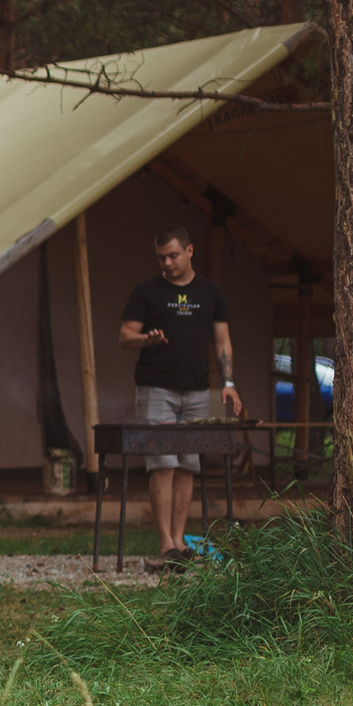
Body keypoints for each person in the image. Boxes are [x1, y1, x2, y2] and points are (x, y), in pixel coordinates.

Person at [118, 226, 241, 565]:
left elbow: (222, 340)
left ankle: (180, 542)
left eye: (173, 255)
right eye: (161, 258)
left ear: (189, 251)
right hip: (156, 388)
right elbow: (125, 336)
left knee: (187, 466)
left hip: (198, 390)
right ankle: (165, 545)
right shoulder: (146, 291)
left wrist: (228, 381)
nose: (167, 263)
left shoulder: (211, 292)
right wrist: (147, 339)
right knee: (163, 464)